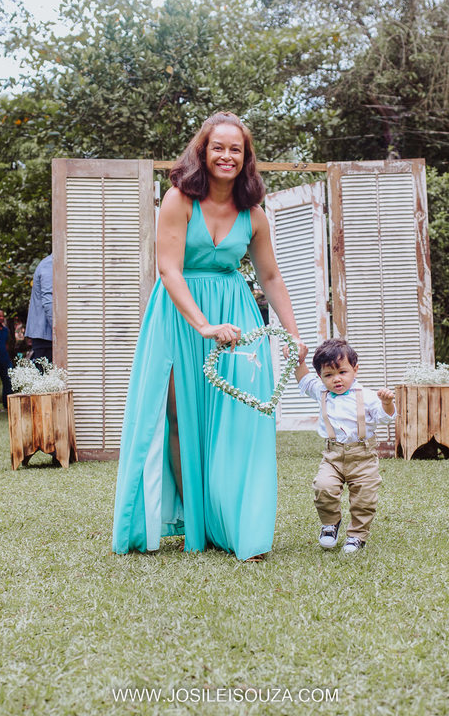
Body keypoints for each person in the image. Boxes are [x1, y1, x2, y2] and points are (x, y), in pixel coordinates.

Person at [112, 111, 306, 561]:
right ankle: (195, 519)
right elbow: (169, 269)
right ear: (203, 152)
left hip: (235, 315)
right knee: (179, 417)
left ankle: (231, 523)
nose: (226, 155)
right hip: (179, 315)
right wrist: (202, 324)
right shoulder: (178, 199)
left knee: (235, 419)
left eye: (235, 149)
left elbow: (271, 276)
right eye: (218, 147)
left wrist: (293, 339)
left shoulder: (254, 215)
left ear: (246, 157)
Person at [295, 338, 395, 555]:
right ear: (321, 377)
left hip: (363, 457)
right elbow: (303, 378)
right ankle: (330, 524)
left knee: (364, 499)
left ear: (355, 370)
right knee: (323, 488)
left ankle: (357, 536)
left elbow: (385, 418)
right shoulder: (320, 392)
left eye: (342, 372)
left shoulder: (367, 396)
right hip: (332, 456)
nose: (336, 380)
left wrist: (387, 403)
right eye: (328, 375)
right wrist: (299, 360)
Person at [26, 255, 54, 364]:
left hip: (49, 337)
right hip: (46, 337)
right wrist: (60, 332)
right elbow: (49, 301)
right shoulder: (50, 264)